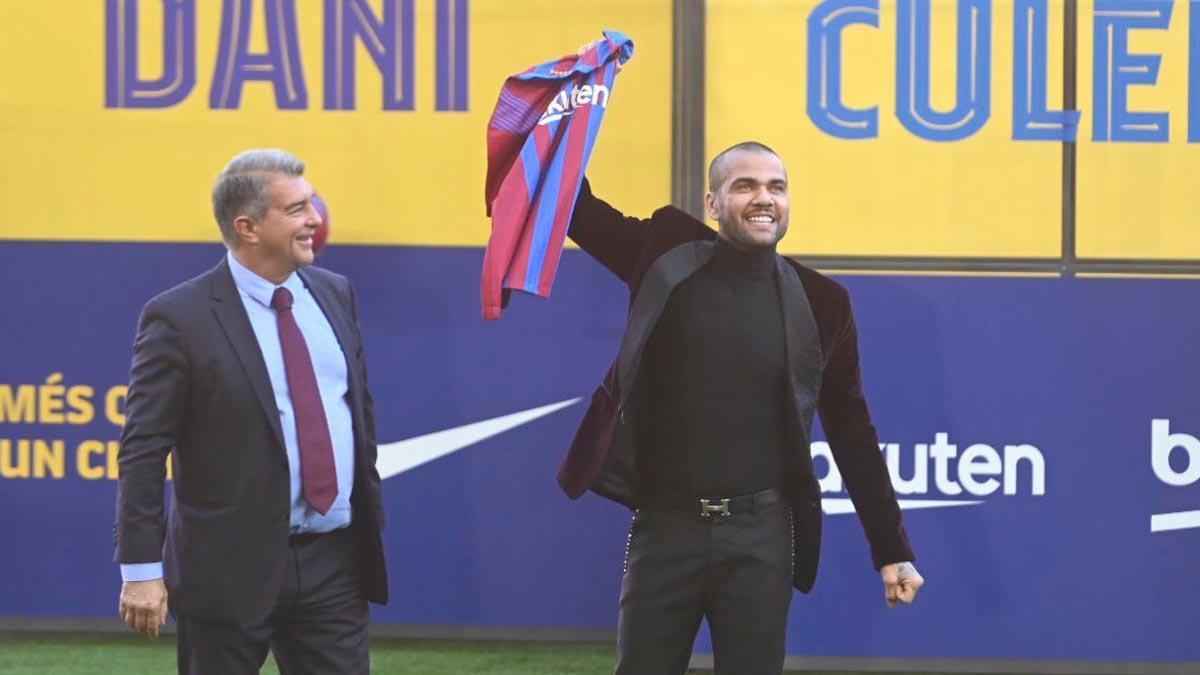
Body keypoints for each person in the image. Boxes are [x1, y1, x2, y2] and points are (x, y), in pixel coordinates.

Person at [555, 142, 924, 674]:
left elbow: (853, 433)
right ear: (713, 202)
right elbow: (578, 210)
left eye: (776, 187)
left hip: (762, 537)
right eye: (744, 186)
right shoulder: (666, 249)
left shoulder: (825, 304)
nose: (763, 199)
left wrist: (891, 549)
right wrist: (559, 119)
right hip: (666, 525)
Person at [113, 149, 388, 674]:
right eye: (298, 209)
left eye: (313, 205)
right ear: (248, 227)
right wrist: (141, 570)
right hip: (226, 568)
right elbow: (143, 451)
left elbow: (357, 414)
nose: (316, 219)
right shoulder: (178, 317)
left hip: (334, 562)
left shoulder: (336, 294)